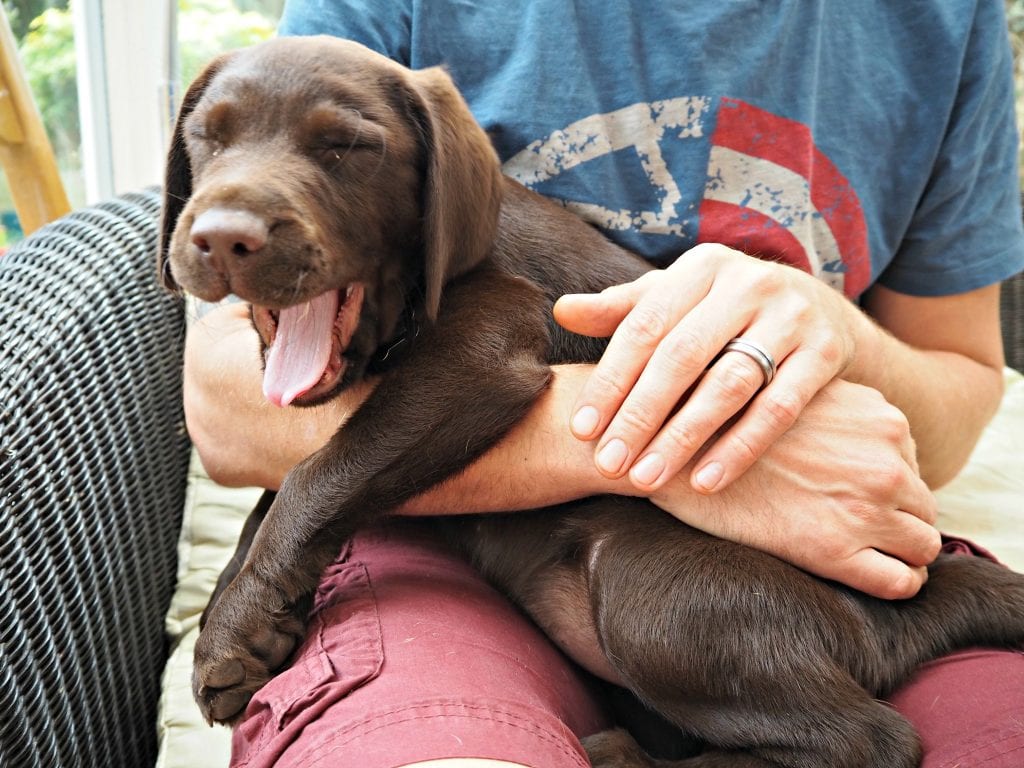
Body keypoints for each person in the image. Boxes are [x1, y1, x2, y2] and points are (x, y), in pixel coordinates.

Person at [183, 1, 1024, 766]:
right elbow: (232, 418)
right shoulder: (359, 89)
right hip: (457, 554)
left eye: (343, 147)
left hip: (798, 563)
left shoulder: (945, 20)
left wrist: (835, 331)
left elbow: (959, 380)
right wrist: (686, 447)